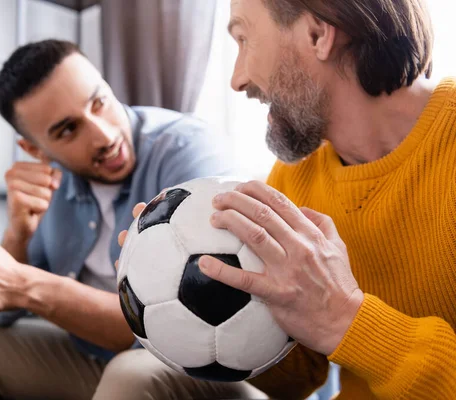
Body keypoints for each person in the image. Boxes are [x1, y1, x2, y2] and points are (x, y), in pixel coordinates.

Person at [122, 0, 456, 398]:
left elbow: (340, 328)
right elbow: (297, 376)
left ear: (317, 35)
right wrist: (181, 301)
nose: (238, 79)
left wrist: (347, 319)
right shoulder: (295, 179)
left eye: (244, 39)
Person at [0, 40, 266, 400]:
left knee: (129, 377)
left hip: (201, 366)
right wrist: (18, 235)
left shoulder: (189, 154)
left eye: (99, 102)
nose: (104, 136)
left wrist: (23, 283)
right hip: (98, 360)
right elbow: (2, 313)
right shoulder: (50, 183)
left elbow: (175, 324)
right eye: (68, 130)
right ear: (35, 149)